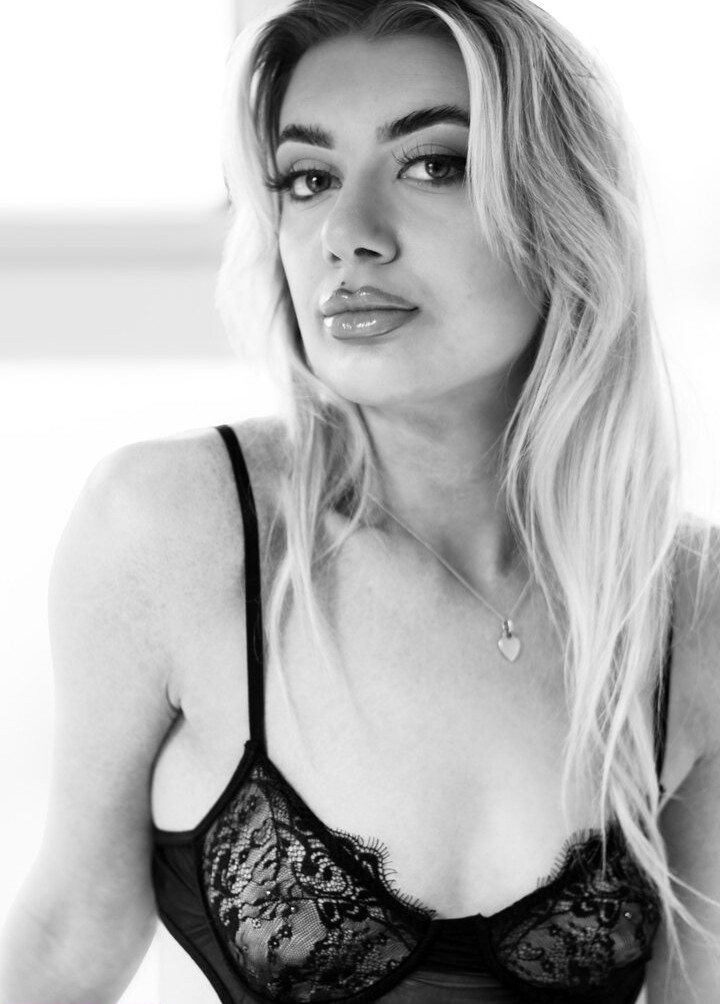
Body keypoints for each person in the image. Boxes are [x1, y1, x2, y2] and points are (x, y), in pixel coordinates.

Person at [2, 0, 720, 1001]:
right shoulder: (179, 528)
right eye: (309, 178)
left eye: (431, 164)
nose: (347, 234)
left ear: (562, 210)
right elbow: (70, 937)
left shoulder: (688, 603)